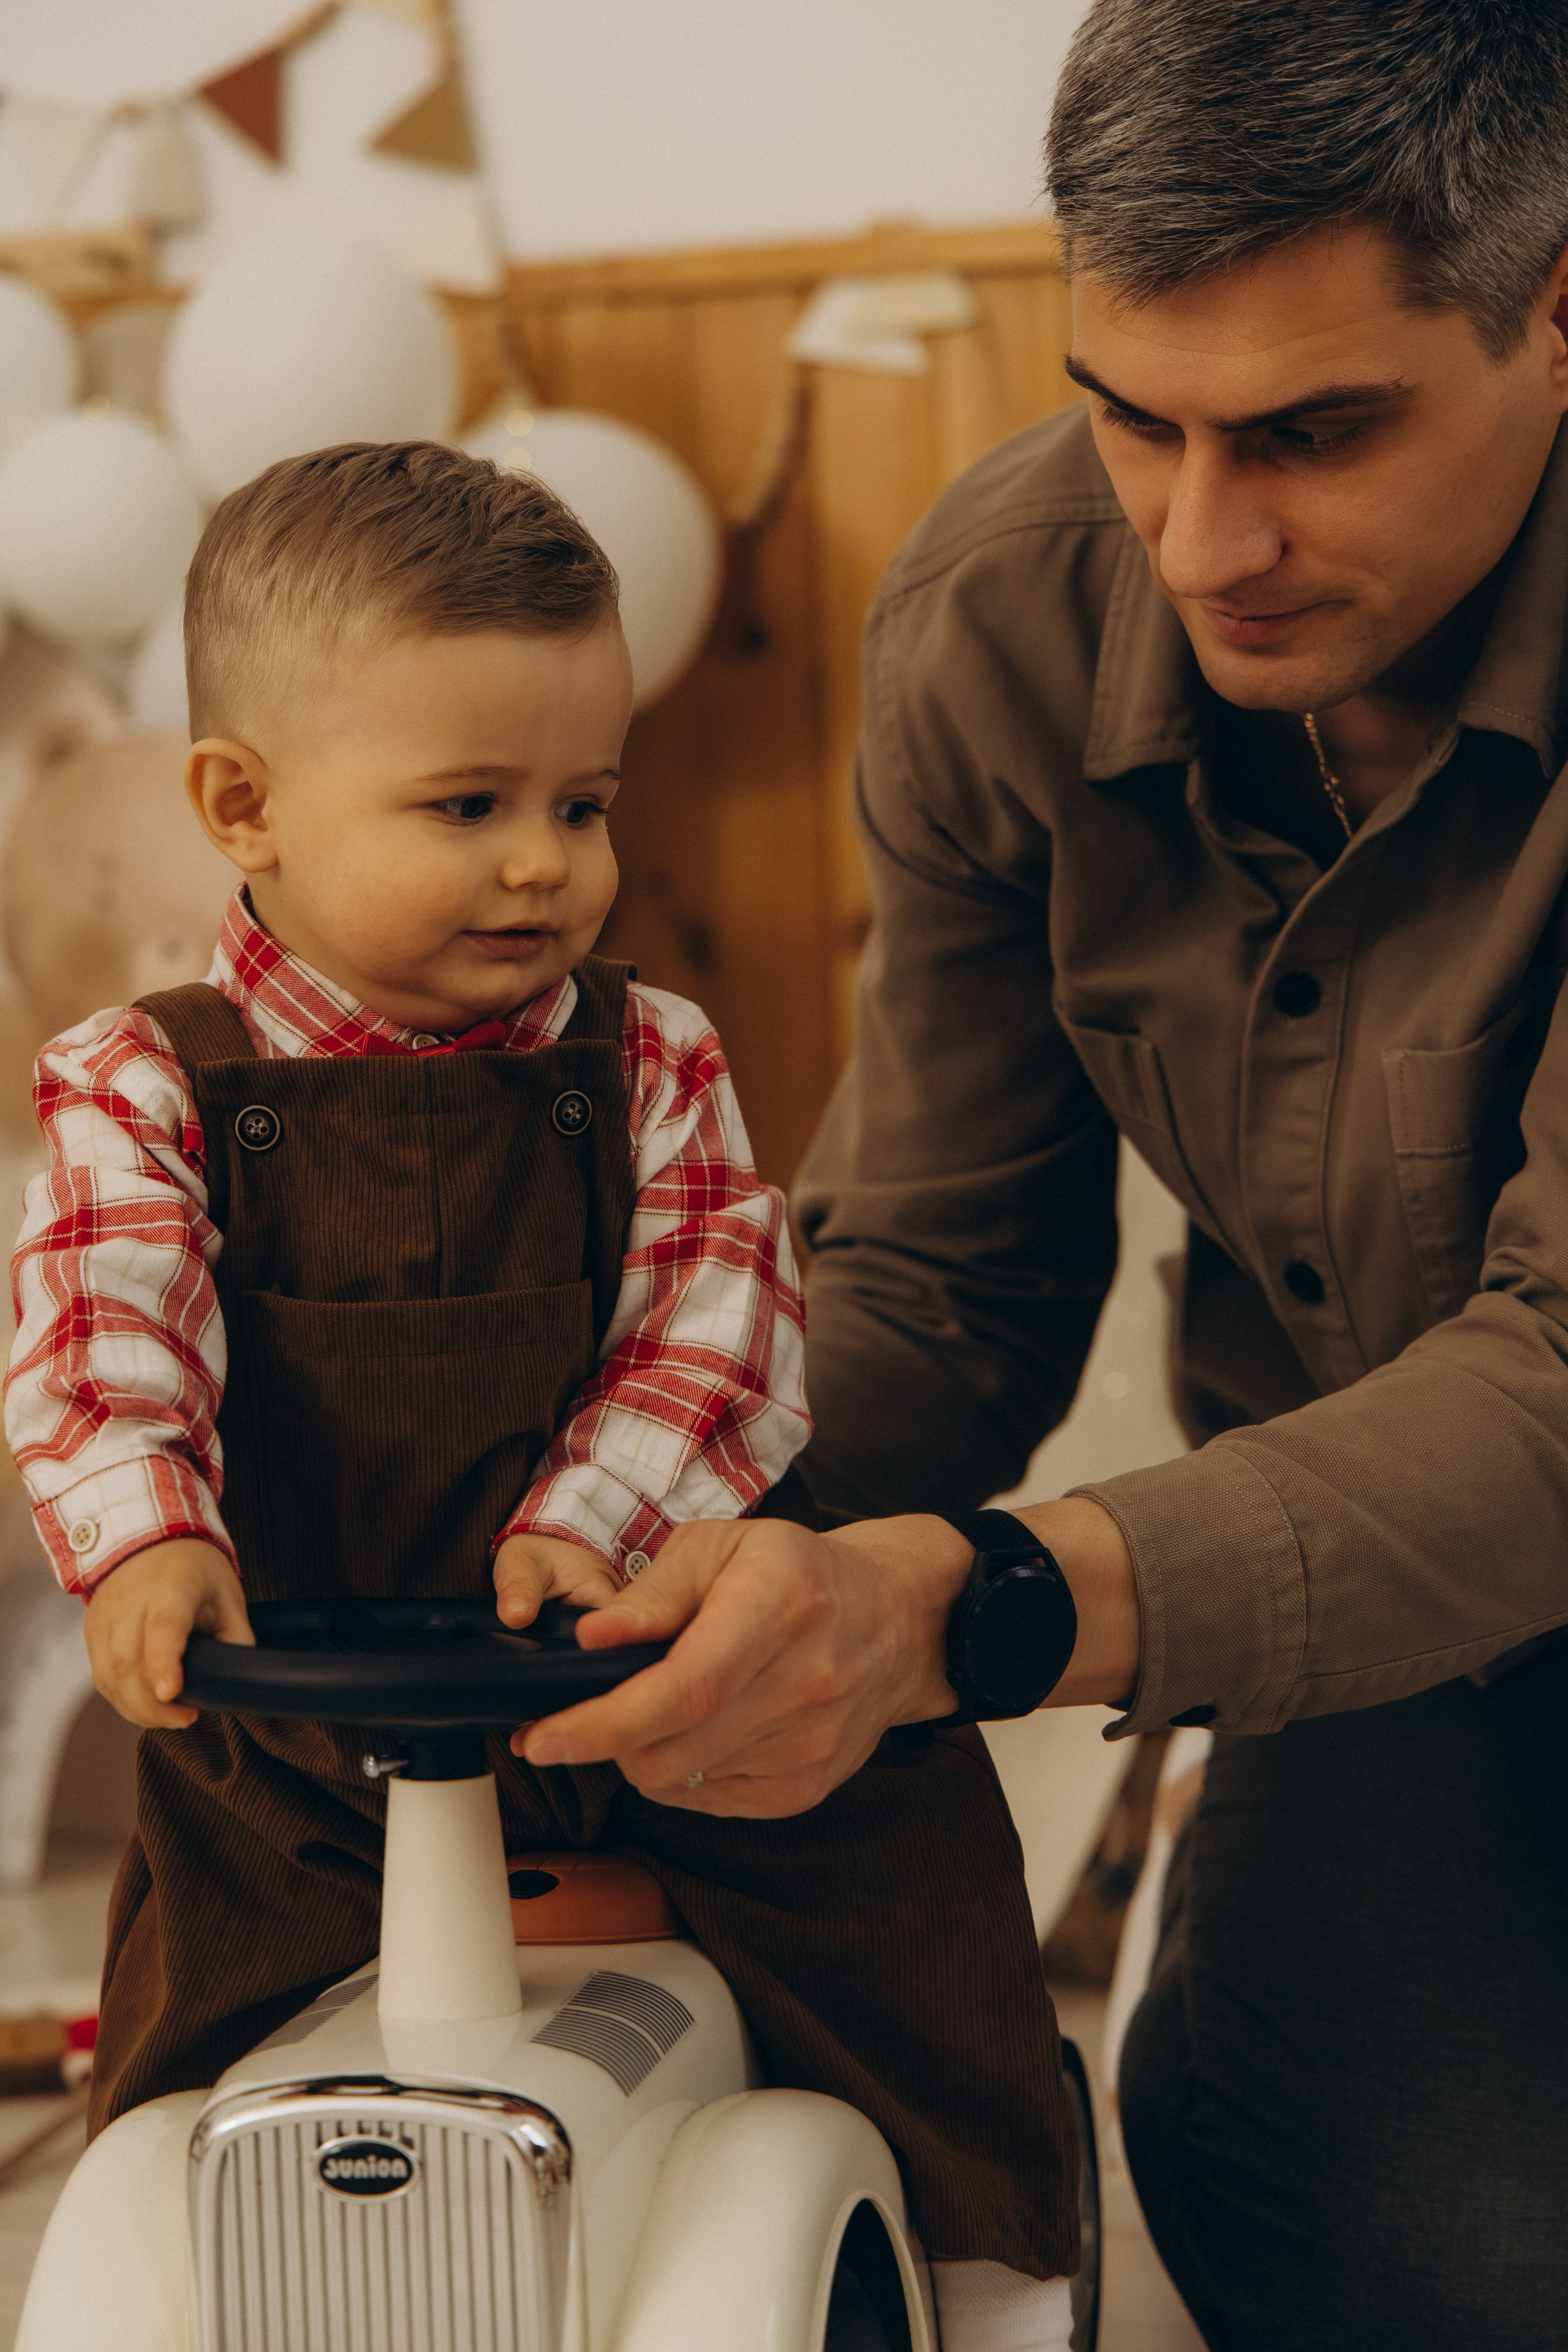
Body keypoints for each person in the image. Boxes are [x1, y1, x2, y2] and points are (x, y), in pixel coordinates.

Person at [514, 4, 1568, 2345]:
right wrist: (614, 1511)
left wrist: (977, 1606)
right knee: (1382, 2246)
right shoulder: (1001, 612)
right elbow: (945, 1284)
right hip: (1394, 1615)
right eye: (1134, 413)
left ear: (1562, 300)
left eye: (1315, 431)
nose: (1205, 538)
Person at [3, 442, 1082, 2350]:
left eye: (583, 802)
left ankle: (995, 2278)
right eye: (470, 802)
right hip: (300, 1726)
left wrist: (589, 1532)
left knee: (906, 1908)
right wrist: (148, 1539)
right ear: (240, 806)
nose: (545, 860)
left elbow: (717, 1332)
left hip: (653, 1671)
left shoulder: (647, 1055)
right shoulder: (142, 1086)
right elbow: (104, 1322)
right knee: (178, 2058)